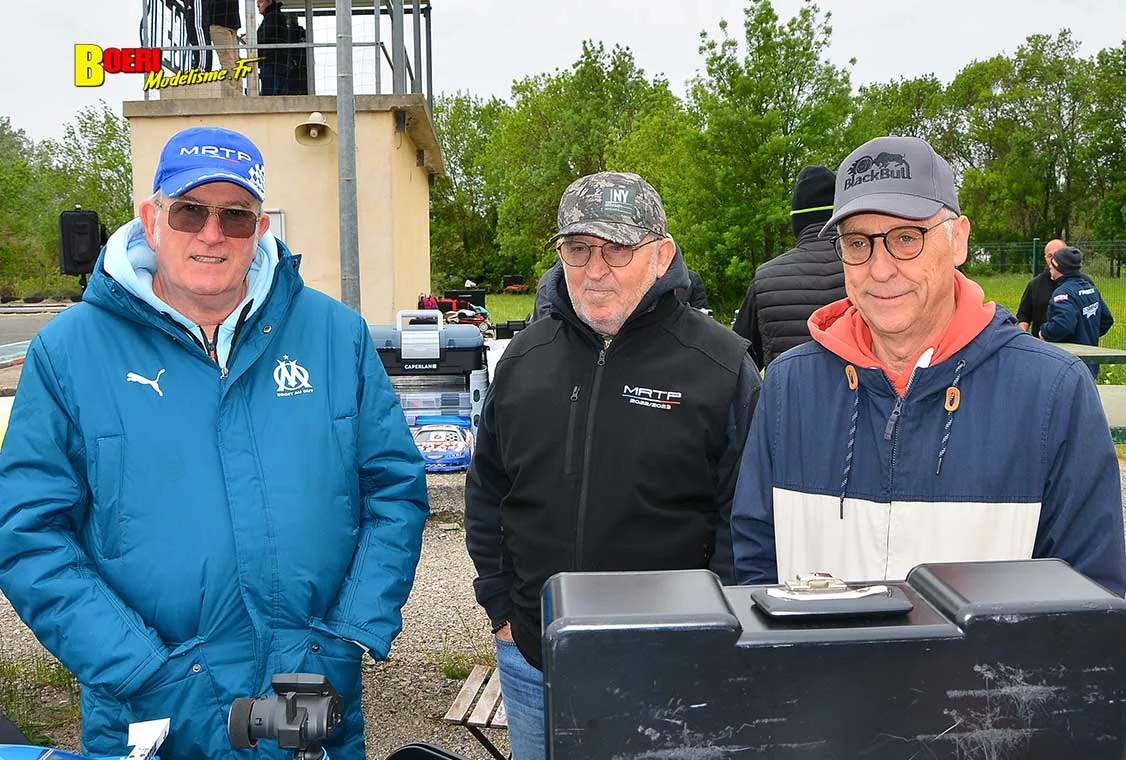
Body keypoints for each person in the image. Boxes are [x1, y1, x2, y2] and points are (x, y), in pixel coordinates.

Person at [0, 126, 429, 760]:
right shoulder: (70, 352)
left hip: (307, 686)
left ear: (260, 229)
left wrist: (347, 632)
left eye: (235, 216)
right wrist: (138, 667)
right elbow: (28, 532)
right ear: (152, 220)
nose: (211, 233)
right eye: (190, 210)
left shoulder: (336, 336)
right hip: (153, 703)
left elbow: (394, 488)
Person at [731, 135, 1126, 596]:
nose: (880, 269)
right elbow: (755, 567)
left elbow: (1092, 597)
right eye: (858, 243)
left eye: (905, 238)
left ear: (957, 240)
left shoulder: (1053, 391)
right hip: (819, 670)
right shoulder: (788, 387)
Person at [465, 171, 760, 760]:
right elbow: (487, 491)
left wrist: (715, 634)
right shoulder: (524, 358)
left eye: (618, 248)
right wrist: (501, 607)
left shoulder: (721, 365)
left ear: (661, 254)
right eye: (578, 249)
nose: (595, 269)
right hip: (533, 660)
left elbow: (745, 522)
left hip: (670, 670)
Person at [732, 165, 845, 369]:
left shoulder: (765, 278)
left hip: (787, 397)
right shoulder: (869, 267)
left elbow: (739, 362)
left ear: (797, 220)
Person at [1039, 245, 1114, 361]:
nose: (1049, 266)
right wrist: (1087, 337)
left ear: (1059, 267)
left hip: (1068, 361)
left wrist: (1044, 332)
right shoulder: (1091, 289)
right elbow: (1107, 319)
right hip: (1091, 359)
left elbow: (1063, 325)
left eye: (1052, 263)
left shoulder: (1063, 293)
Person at [1016, 238, 1068, 336]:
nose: (1054, 260)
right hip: (1042, 345)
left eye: (1058, 255)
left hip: (1076, 346)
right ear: (1045, 258)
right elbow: (1024, 316)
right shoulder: (1035, 285)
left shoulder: (1082, 283)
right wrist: (1022, 336)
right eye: (1050, 256)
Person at [205, 0, 243, 96]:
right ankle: (232, 93)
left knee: (234, 61)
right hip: (221, 23)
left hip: (228, 23)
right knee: (229, 60)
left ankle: (236, 92)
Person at [256, 0, 291, 95]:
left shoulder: (272, 16)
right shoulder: (274, 15)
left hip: (271, 64)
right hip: (276, 63)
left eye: (261, 1)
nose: (257, 5)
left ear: (269, 1)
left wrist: (253, 40)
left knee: (269, 97)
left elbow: (268, 37)